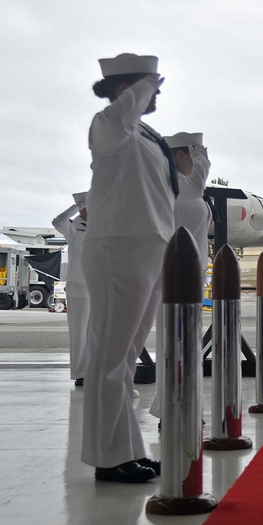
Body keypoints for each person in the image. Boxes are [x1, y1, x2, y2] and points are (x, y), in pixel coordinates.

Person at [81, 53, 178, 483]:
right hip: (118, 247)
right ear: (127, 88)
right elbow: (122, 112)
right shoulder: (108, 125)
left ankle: (126, 451)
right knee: (109, 358)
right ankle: (106, 457)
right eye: (150, 87)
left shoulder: (143, 133)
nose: (156, 94)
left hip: (148, 247)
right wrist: (144, 83)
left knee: (125, 359)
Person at [149, 132, 211, 422]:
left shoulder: (180, 185)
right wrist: (202, 159)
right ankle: (175, 407)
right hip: (174, 272)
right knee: (176, 340)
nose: (197, 160)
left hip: (188, 272)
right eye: (193, 154)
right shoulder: (171, 183)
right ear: (181, 156)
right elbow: (198, 185)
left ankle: (180, 404)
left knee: (184, 340)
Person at [52, 192, 90, 388]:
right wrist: (78, 205)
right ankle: (80, 373)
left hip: (98, 285)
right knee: (79, 331)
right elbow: (57, 222)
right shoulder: (72, 228)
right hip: (79, 286)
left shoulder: (100, 226)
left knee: (94, 332)